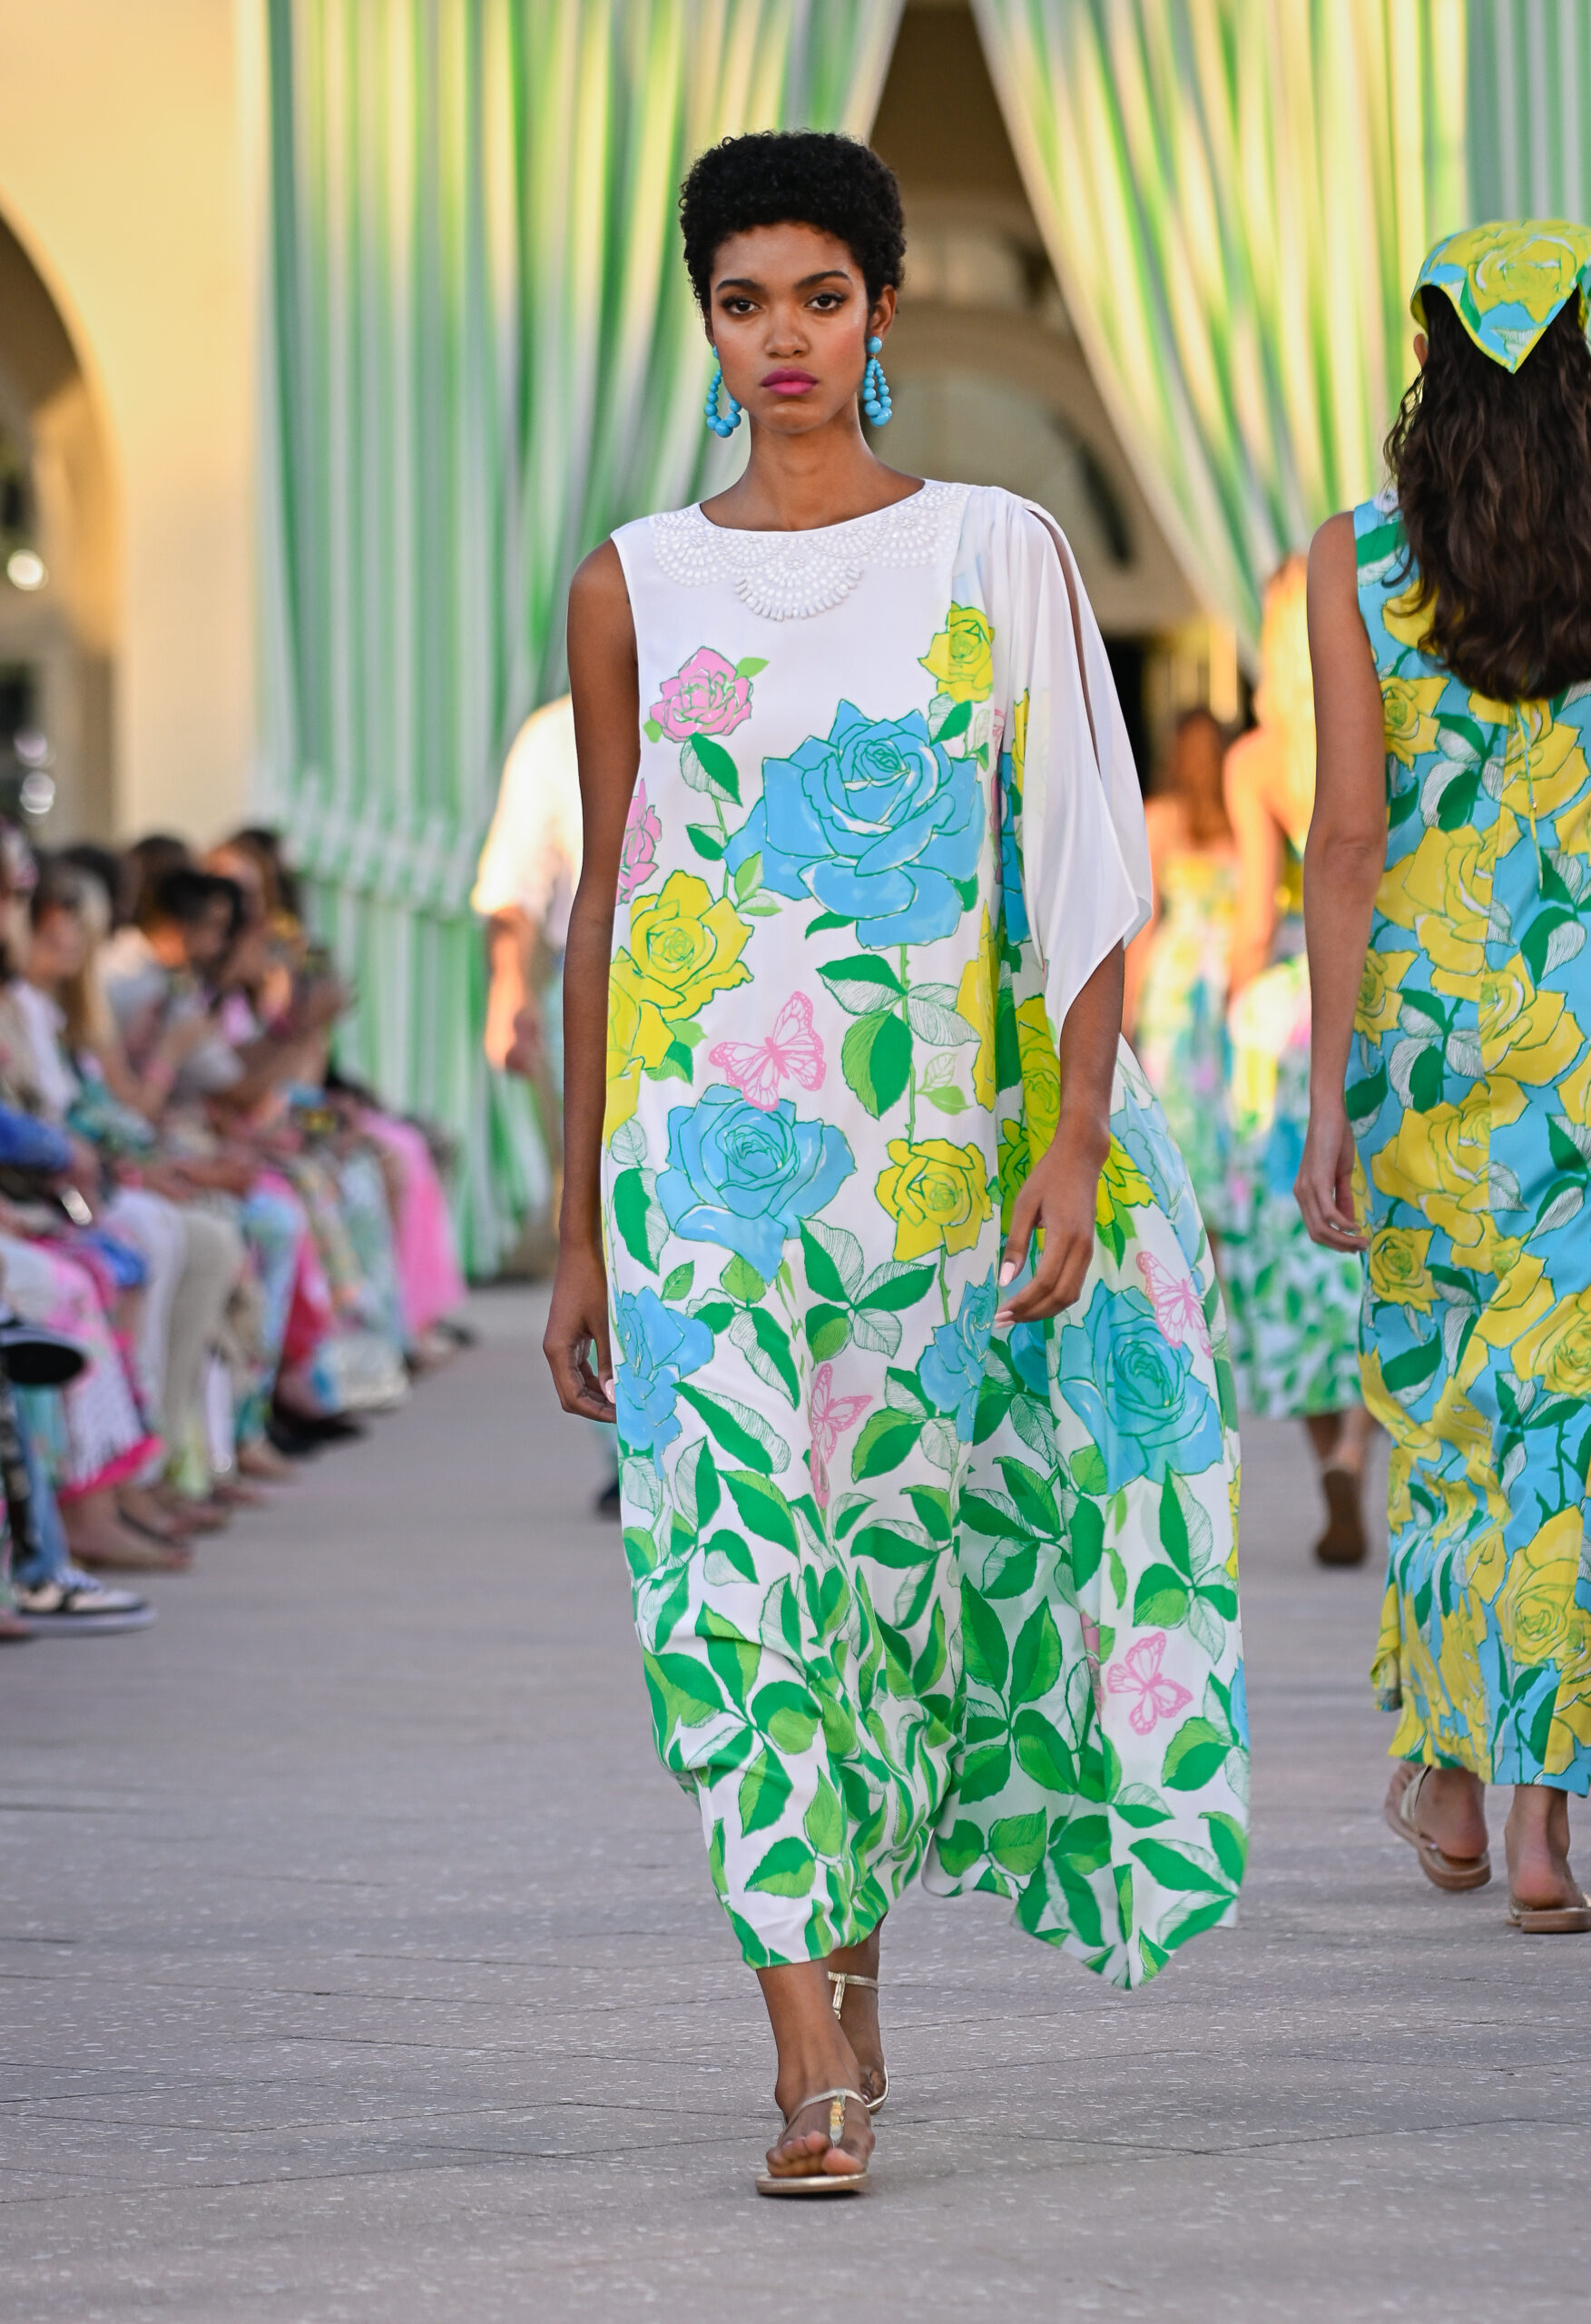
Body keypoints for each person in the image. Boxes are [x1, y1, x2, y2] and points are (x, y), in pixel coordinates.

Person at [545, 130, 1245, 2197]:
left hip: (924, 1168)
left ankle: (847, 1951)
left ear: (877, 313)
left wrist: (1078, 1135)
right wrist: (582, 1227)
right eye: (744, 301)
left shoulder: (990, 552)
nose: (781, 336)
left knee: (883, 1592)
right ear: (705, 323)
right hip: (690, 1184)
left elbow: (1083, 869)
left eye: (819, 297)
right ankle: (800, 2050)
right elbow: (612, 903)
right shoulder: (628, 582)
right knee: (723, 1585)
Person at [1301, 219, 1591, 1933]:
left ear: (1430, 366)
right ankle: (1550, 1819)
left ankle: (1455, 1783)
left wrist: (1328, 1088)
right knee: (1566, 1420)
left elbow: (1345, 840)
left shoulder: (1359, 561)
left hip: (1426, 1048)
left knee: (1448, 1418)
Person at [1220, 560, 1374, 1565]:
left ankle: (1331, 1448)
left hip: (1279, 1015)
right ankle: (1362, 1447)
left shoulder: (1259, 761)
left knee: (1289, 1247)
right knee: (1378, 1242)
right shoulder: (1379, 712)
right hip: (1370, 988)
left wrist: (1230, 989)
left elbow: (1250, 917)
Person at [1125, 707, 1239, 1223]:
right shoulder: (1240, 818)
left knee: (1170, 1122)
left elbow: (1144, 924)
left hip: (1175, 990)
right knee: (1222, 1124)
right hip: (1226, 987)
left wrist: (1123, 1018)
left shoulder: (1162, 818)